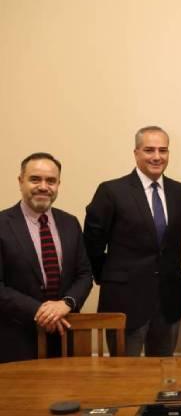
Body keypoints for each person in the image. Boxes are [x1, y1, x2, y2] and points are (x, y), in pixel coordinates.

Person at [84, 126, 181, 356]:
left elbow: (172, 246)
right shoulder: (111, 191)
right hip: (124, 301)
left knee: (164, 376)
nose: (157, 156)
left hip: (168, 302)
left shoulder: (180, 192)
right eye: (149, 150)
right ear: (136, 153)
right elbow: (91, 244)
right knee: (123, 378)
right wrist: (111, 277)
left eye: (163, 150)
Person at [0, 153, 92, 363]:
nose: (43, 186)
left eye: (51, 181)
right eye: (35, 179)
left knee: (69, 394)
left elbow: (84, 274)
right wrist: (40, 310)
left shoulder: (70, 223)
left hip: (66, 335)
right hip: (16, 339)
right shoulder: (2, 224)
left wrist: (66, 303)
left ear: (58, 184)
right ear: (20, 181)